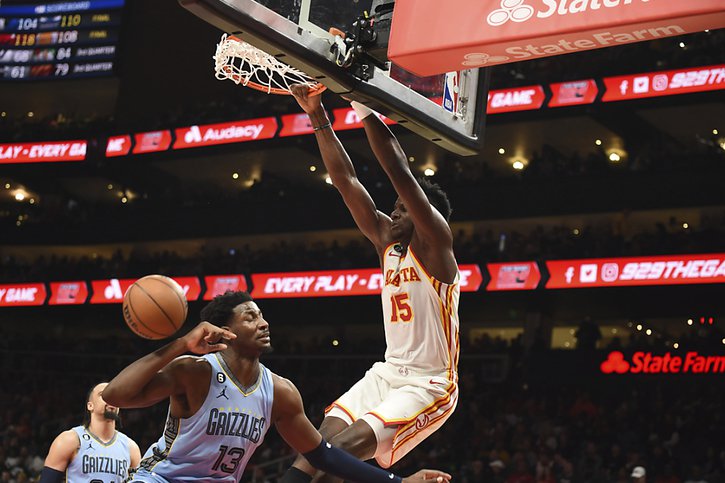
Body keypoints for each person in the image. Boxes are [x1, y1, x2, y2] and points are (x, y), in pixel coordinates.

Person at [283, 86, 460, 483]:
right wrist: (317, 115)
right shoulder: (388, 245)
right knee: (314, 446)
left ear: (423, 216)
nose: (392, 213)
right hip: (388, 371)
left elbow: (400, 173)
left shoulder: (435, 248)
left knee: (339, 455)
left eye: (400, 209)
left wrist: (360, 103)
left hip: (429, 384)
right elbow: (346, 180)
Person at [102, 291, 451, 483]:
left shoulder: (280, 392)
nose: (264, 322)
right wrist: (180, 344)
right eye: (250, 317)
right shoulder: (196, 372)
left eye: (262, 314)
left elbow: (324, 455)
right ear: (225, 330)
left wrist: (397, 482)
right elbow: (116, 395)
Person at [39, 382, 141, 483]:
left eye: (114, 395)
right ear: (90, 406)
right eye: (103, 395)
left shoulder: (131, 448)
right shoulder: (70, 439)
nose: (111, 398)